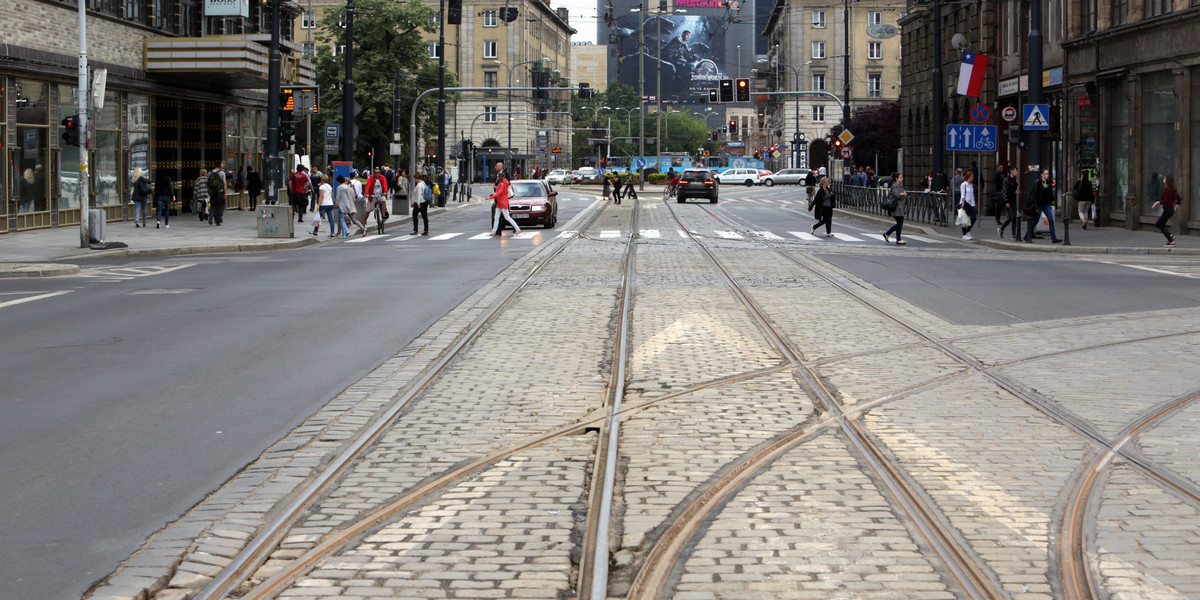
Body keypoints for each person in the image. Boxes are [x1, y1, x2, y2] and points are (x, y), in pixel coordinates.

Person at [1024, 168, 1061, 243]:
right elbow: (1035, 195)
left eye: (1048, 174)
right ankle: (1027, 235)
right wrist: (1036, 207)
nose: (1047, 175)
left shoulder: (1048, 183)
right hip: (1039, 204)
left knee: (1051, 219)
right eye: (1046, 174)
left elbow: (1049, 194)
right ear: (1042, 175)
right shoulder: (1037, 183)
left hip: (1046, 204)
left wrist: (1052, 200)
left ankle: (1053, 238)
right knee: (1035, 220)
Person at [488, 171, 521, 237]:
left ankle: (517, 229)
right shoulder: (503, 183)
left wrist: (490, 197)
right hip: (500, 202)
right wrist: (494, 186)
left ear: (499, 178)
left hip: (502, 202)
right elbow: (499, 190)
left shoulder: (502, 184)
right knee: (496, 217)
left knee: (507, 217)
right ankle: (493, 231)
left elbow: (499, 193)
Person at [1152, 175, 1181, 246]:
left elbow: (1166, 200)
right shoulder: (1172, 189)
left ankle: (1171, 241)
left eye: (1164, 178)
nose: (1163, 179)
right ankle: (1170, 236)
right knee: (1160, 224)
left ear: (1167, 180)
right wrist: (1175, 207)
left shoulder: (1167, 189)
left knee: (1159, 224)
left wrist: (1158, 202)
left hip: (1168, 210)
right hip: (1170, 210)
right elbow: (1179, 199)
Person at [882, 172, 907, 245]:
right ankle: (898, 239)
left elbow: (904, 193)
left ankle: (887, 234)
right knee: (900, 223)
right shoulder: (894, 186)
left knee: (899, 223)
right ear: (896, 179)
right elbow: (897, 195)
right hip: (896, 207)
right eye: (900, 177)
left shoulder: (899, 186)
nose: (902, 178)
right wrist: (903, 194)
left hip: (900, 207)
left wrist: (903, 194)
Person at [362, 167, 389, 233]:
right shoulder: (371, 179)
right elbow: (368, 186)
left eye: (378, 172)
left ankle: (383, 215)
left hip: (380, 194)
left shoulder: (382, 177)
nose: (377, 174)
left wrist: (385, 192)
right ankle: (363, 224)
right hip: (372, 196)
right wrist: (367, 193)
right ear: (373, 173)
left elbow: (385, 185)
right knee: (367, 210)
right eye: (376, 173)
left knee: (383, 201)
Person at [998, 166, 1020, 240]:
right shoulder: (1006, 180)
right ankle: (1001, 228)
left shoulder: (1014, 180)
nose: (1017, 172)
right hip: (1008, 201)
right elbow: (1004, 191)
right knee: (1011, 217)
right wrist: (1006, 201)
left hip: (1013, 201)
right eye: (1015, 171)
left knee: (1014, 218)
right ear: (1011, 171)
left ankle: (1013, 234)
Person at [317, 171, 337, 237]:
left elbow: (321, 196)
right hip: (330, 204)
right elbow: (331, 195)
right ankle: (332, 232)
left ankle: (315, 230)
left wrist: (318, 205)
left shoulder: (322, 187)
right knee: (331, 219)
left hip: (324, 204)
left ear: (322, 180)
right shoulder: (329, 186)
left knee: (318, 218)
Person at [959, 170, 977, 240]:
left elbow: (972, 195)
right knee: (964, 220)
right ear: (968, 177)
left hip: (971, 203)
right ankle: (964, 234)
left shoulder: (971, 185)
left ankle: (968, 230)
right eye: (972, 177)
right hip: (965, 203)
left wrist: (974, 204)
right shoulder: (964, 185)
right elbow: (963, 195)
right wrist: (963, 203)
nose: (973, 178)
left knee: (973, 218)